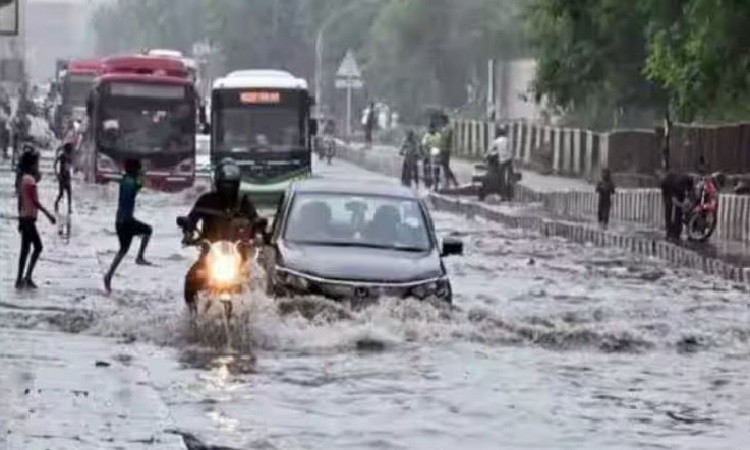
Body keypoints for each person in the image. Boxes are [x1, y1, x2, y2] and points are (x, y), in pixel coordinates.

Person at [180, 158, 265, 309]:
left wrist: (258, 234)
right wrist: (188, 232)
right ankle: (192, 315)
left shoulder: (244, 202)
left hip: (239, 257)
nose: (228, 188)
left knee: (255, 281)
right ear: (217, 183)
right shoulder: (206, 201)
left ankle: (254, 315)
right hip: (209, 256)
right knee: (191, 279)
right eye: (225, 184)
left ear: (237, 184)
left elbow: (255, 221)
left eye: (231, 184)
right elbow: (192, 219)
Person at [103, 159, 153, 293]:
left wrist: (141, 176)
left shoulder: (125, 180)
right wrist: (143, 176)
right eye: (138, 169)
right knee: (148, 230)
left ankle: (108, 276)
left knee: (123, 250)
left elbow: (140, 185)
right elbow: (144, 183)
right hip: (126, 221)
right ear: (135, 170)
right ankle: (139, 257)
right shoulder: (131, 182)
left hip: (120, 221)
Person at [16, 151, 56, 289]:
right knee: (38, 247)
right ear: (32, 165)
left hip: (24, 217)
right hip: (29, 219)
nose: (38, 166)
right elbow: (35, 201)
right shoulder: (30, 180)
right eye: (37, 164)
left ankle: (19, 279)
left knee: (25, 249)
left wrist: (19, 219)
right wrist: (49, 215)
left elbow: (21, 200)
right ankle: (27, 277)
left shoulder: (23, 178)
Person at [659, 170, 695, 241]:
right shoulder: (676, 185)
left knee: (678, 210)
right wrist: (682, 205)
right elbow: (674, 200)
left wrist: (689, 202)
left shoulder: (687, 182)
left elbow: (690, 192)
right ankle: (669, 230)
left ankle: (677, 229)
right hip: (668, 186)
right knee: (669, 207)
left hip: (675, 183)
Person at [487, 128, 513, 199]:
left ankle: (503, 195)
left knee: (501, 178)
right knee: (509, 175)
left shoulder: (496, 141)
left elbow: (490, 151)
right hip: (509, 160)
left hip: (502, 161)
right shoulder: (507, 140)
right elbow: (510, 150)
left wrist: (493, 153)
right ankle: (511, 187)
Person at [54, 143, 73, 215]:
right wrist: (57, 173)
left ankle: (69, 208)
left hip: (67, 177)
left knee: (69, 193)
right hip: (62, 177)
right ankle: (56, 203)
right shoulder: (62, 156)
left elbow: (69, 167)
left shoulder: (69, 157)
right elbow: (55, 163)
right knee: (61, 193)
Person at [422, 125, 443, 190]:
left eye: (433, 128)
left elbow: (441, 145)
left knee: (436, 169)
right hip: (429, 153)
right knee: (427, 168)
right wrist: (426, 152)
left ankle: (436, 182)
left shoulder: (438, 136)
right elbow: (423, 145)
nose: (432, 130)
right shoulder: (427, 136)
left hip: (436, 154)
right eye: (431, 128)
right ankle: (427, 182)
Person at [439, 121, 459, 188]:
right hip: (443, 150)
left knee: (445, 166)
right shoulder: (444, 128)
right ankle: (451, 181)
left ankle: (450, 182)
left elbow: (446, 138)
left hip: (445, 150)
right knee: (445, 166)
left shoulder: (447, 129)